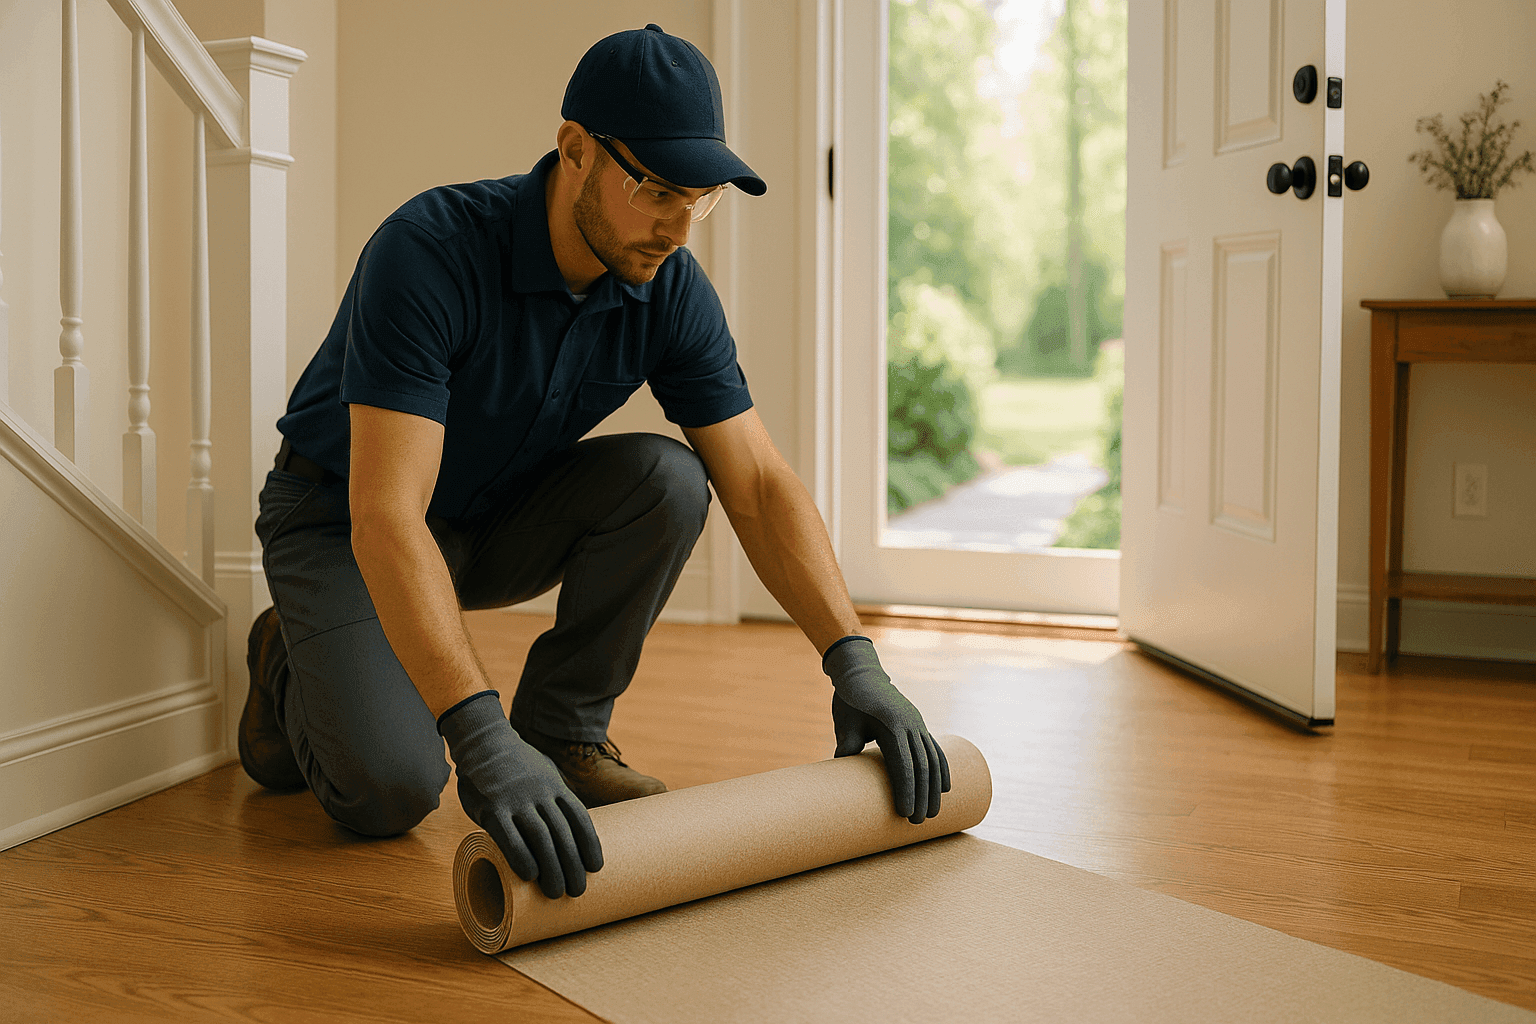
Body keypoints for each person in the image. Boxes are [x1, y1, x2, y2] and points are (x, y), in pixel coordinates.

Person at [244, 23, 949, 902]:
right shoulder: (429, 251)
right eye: (656, 189)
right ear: (575, 149)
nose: (678, 227)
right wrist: (479, 734)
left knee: (668, 479)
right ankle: (285, 655)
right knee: (391, 790)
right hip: (343, 522)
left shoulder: (667, 287)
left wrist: (853, 659)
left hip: (486, 517)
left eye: (701, 198)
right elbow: (387, 516)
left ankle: (564, 732)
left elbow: (761, 485)